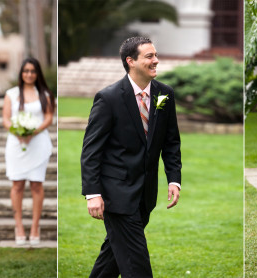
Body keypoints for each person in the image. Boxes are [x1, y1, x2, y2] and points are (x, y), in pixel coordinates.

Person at [80, 37, 182, 277]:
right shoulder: (109, 98)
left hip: (145, 194)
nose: (156, 60)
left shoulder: (164, 94)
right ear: (130, 61)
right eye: (149, 56)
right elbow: (91, 150)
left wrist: (174, 179)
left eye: (155, 55)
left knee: (113, 255)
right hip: (116, 194)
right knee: (136, 263)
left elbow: (171, 142)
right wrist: (93, 194)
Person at [2, 57, 54, 246]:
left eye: (33, 71)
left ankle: (34, 226)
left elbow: (48, 116)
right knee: (17, 185)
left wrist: (33, 131)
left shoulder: (44, 94)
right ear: (21, 73)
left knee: (36, 185)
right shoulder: (12, 93)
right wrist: (18, 132)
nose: (29, 74)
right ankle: (19, 226)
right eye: (26, 71)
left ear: (37, 73)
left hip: (38, 143)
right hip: (16, 144)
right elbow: (6, 119)